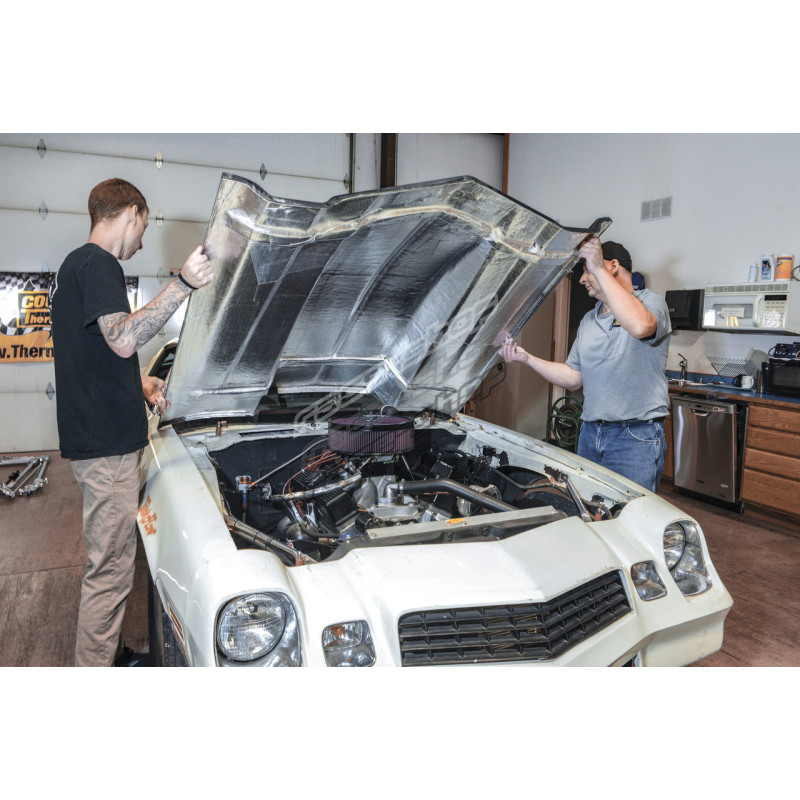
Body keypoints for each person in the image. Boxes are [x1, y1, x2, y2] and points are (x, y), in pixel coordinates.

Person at [50, 178, 214, 667]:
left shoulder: (73, 268)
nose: (141, 242)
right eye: (142, 228)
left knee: (113, 563)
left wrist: (138, 382)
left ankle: (110, 653)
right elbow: (123, 339)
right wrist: (184, 284)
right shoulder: (98, 263)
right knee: (110, 571)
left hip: (98, 441)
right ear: (130, 213)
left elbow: (94, 354)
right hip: (107, 450)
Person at [499, 238, 671, 493]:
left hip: (634, 437)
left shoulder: (650, 303)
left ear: (612, 266)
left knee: (630, 512)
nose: (581, 279)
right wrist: (527, 358)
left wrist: (598, 267)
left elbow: (640, 326)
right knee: (588, 508)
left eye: (586, 270)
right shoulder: (589, 320)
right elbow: (573, 377)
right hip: (590, 434)